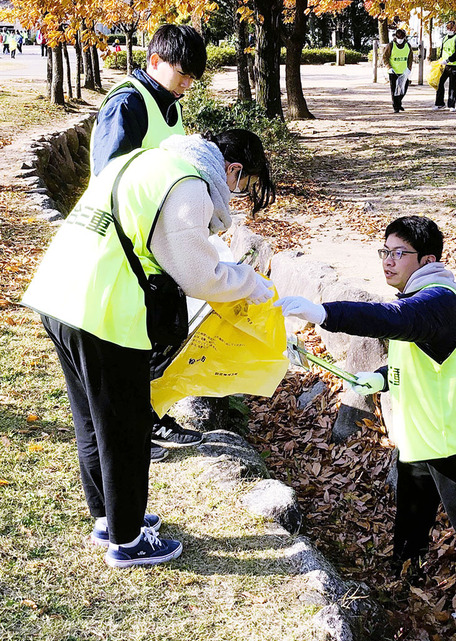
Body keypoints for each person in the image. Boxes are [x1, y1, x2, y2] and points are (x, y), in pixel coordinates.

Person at [274, 216, 456, 641]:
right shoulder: (420, 301)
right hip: (419, 442)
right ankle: (403, 570)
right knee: (410, 518)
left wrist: (323, 312)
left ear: (427, 260)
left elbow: (398, 323)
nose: (388, 261)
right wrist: (380, 380)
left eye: (398, 253)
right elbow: (420, 360)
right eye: (384, 251)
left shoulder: (439, 302)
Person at [23, 129, 276, 568]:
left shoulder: (146, 161)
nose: (237, 195)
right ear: (232, 169)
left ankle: (110, 518)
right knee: (127, 425)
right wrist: (250, 283)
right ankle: (128, 539)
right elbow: (200, 276)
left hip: (58, 294)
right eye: (244, 184)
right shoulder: (189, 184)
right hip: (104, 312)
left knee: (92, 417)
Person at [90, 23, 208, 461]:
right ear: (154, 61)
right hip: (126, 247)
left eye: (193, 75)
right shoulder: (127, 104)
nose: (187, 84)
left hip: (157, 244)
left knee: (164, 333)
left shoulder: (170, 104)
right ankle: (139, 429)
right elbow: (111, 177)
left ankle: (147, 419)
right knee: (139, 341)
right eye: (182, 73)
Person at [432, 20, 456, 112]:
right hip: (445, 65)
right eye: (447, 28)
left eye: (451, 28)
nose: (449, 29)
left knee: (453, 84)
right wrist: (440, 60)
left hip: (454, 64)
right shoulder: (445, 37)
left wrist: (449, 60)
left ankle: (451, 104)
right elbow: (442, 50)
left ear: (455, 28)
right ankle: (439, 103)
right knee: (440, 83)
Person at [383, 28, 413, 113]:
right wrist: (389, 68)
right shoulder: (391, 45)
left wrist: (409, 68)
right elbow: (385, 57)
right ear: (395, 37)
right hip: (394, 71)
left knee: (403, 89)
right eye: (398, 38)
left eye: (401, 38)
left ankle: (399, 103)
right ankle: (396, 106)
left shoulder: (408, 46)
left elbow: (410, 58)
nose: (400, 40)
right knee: (394, 90)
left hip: (404, 71)